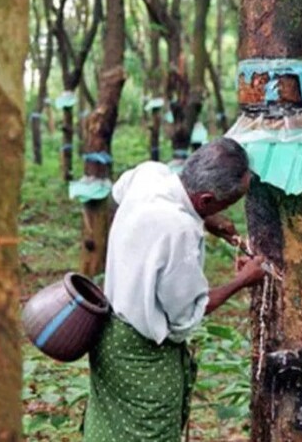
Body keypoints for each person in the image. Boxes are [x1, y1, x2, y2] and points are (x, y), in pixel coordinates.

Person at [83, 138, 267, 442]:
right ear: (206, 199)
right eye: (227, 203)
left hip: (108, 337)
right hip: (143, 357)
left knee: (108, 431)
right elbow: (186, 316)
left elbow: (119, 190)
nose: (227, 211)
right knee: (147, 434)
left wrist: (206, 219)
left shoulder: (150, 174)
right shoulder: (179, 231)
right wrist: (243, 280)